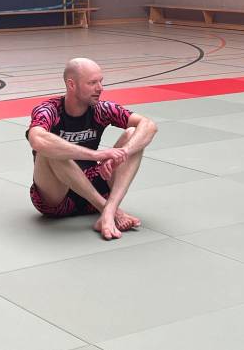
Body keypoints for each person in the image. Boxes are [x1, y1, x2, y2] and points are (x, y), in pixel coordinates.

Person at [26, 57, 157, 240]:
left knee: (133, 134)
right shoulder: (49, 110)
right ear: (71, 85)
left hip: (95, 186)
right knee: (49, 149)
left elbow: (149, 125)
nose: (100, 88)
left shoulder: (102, 109)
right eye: (92, 83)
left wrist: (123, 153)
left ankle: (109, 211)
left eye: (101, 82)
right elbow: (37, 139)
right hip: (57, 199)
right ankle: (109, 210)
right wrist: (96, 155)